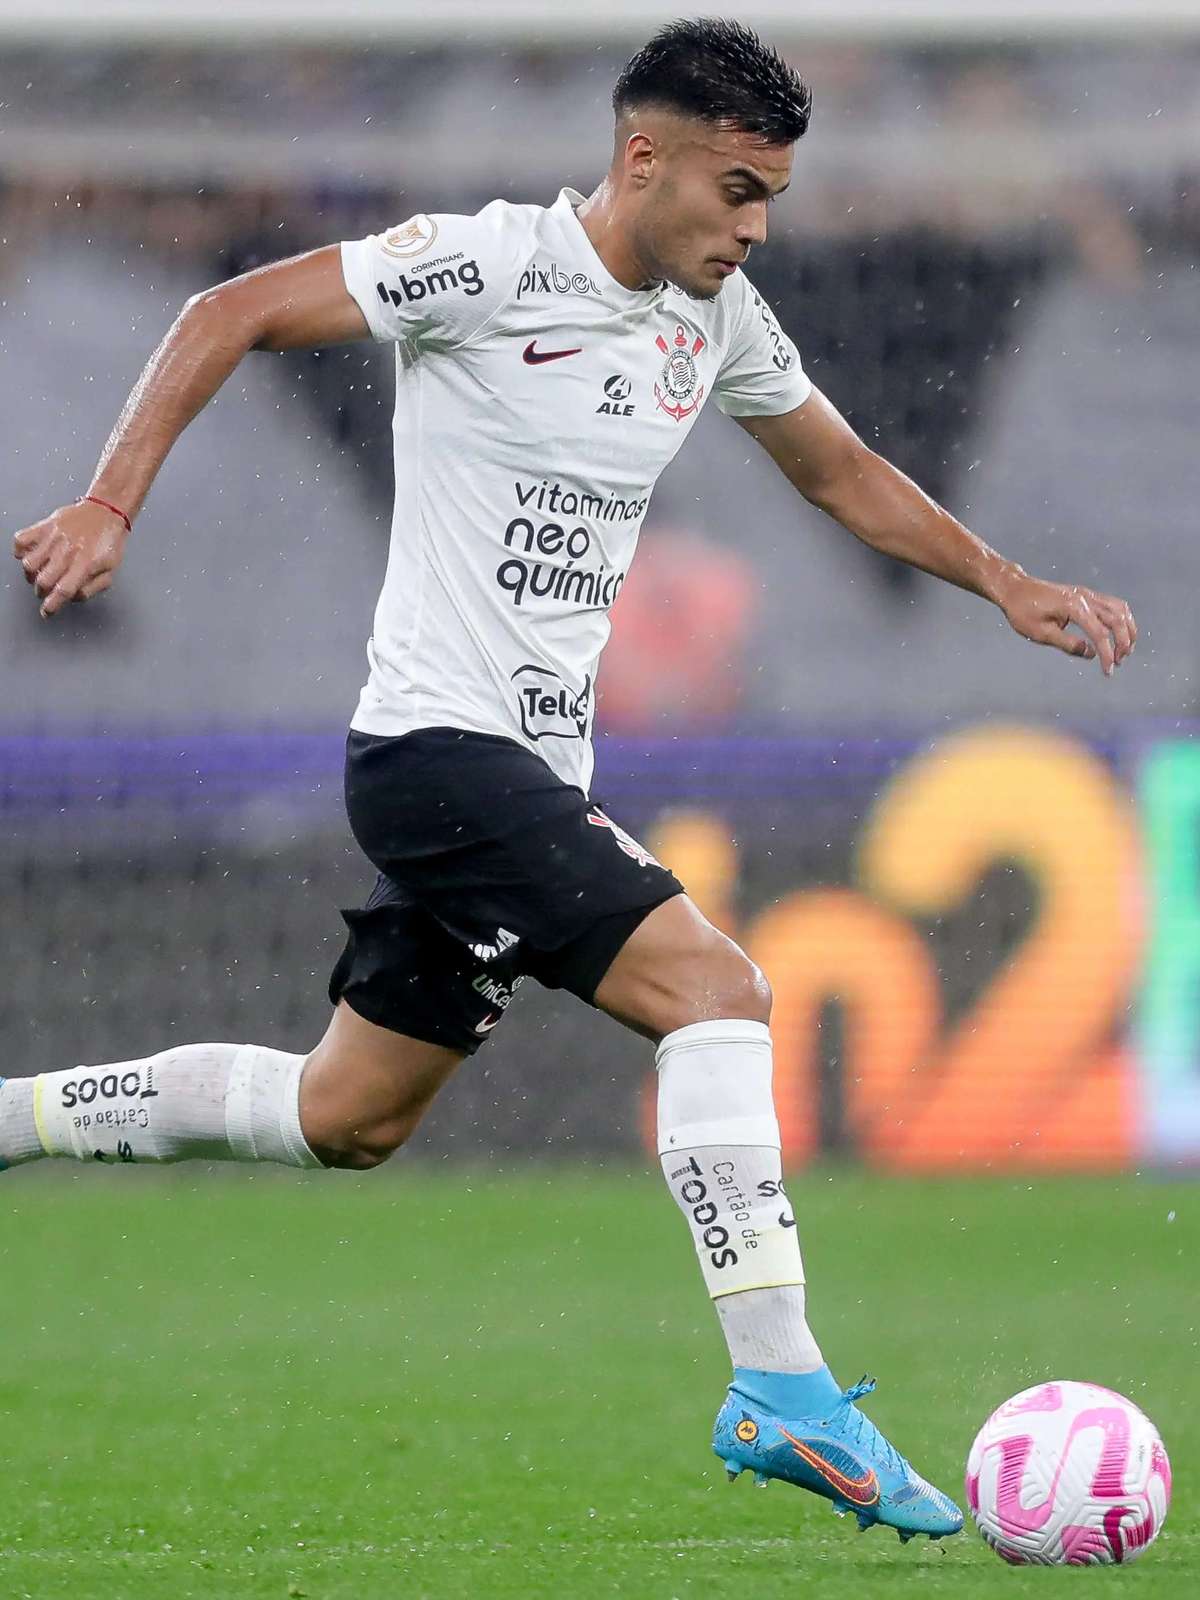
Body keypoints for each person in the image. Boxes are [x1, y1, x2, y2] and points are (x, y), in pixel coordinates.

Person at [5, 18, 1135, 1542]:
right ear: (642, 157)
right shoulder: (484, 265)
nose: (752, 226)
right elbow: (229, 309)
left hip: (520, 772)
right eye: (735, 188)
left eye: (772, 199)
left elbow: (841, 472)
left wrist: (1007, 585)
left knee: (349, 1116)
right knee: (719, 994)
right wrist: (110, 500)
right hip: (434, 754)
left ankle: (16, 1117)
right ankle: (783, 1387)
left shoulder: (713, 321)